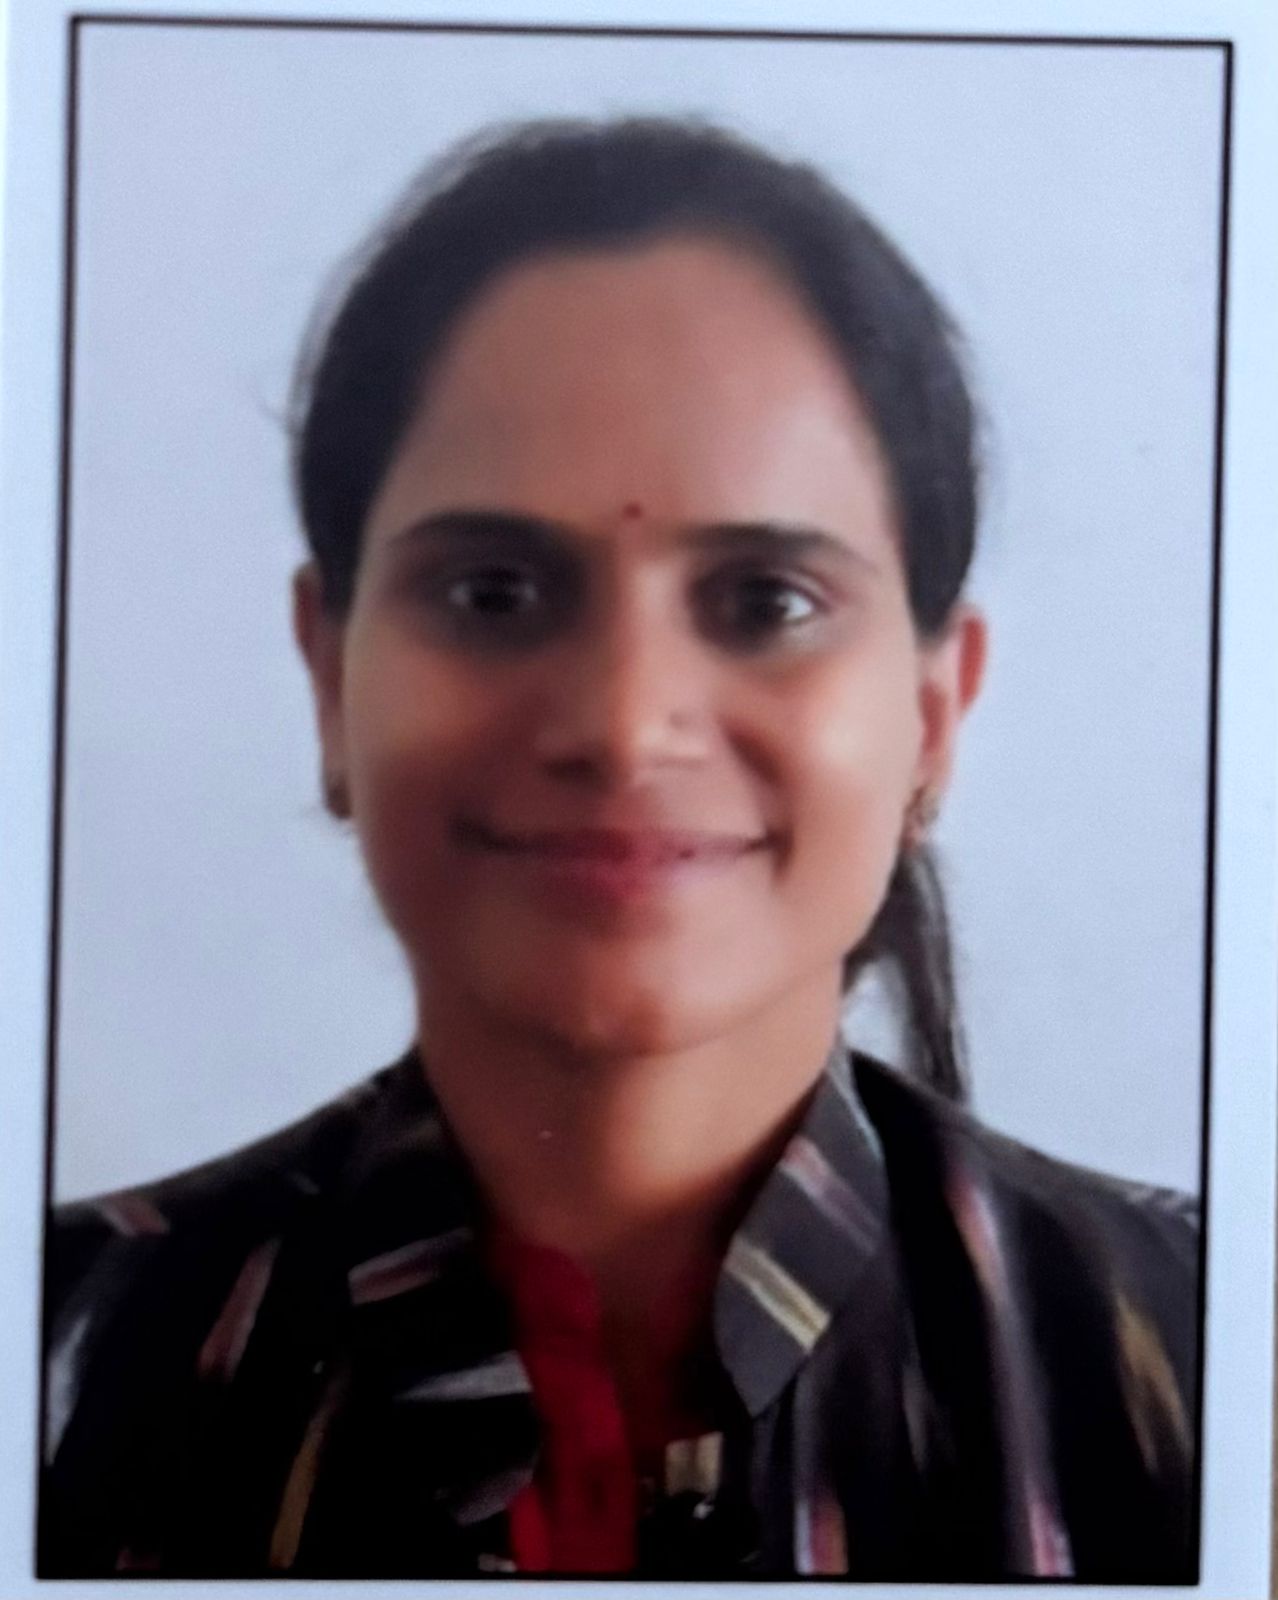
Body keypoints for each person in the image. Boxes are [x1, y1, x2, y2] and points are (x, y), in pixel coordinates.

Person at [40, 117, 1198, 1581]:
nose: (623, 723)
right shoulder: (57, 1362)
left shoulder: (1213, 1362)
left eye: (766, 601)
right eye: (494, 591)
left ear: (931, 715)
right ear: (330, 677)